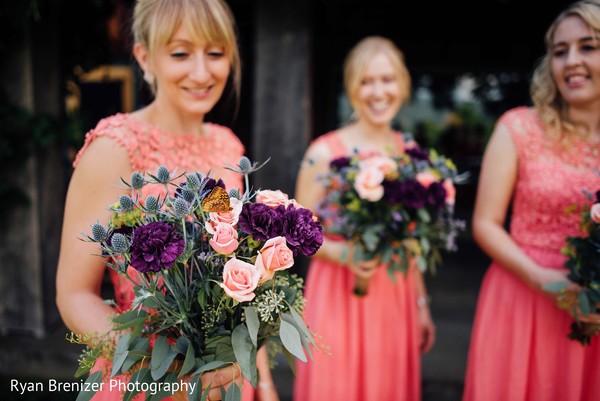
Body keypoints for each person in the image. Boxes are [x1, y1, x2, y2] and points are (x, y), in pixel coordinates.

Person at [55, 1, 278, 400]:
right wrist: (161, 369)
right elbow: (74, 294)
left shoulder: (229, 147)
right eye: (180, 53)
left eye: (215, 53)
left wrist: (262, 382)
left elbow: (241, 286)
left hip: (227, 382)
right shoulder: (114, 149)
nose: (201, 72)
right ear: (144, 57)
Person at [463, 1, 600, 400]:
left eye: (588, 46)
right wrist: (546, 281)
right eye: (560, 51)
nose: (571, 61)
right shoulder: (519, 127)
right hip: (523, 295)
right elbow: (485, 223)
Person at [293, 36, 435, 401]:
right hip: (338, 289)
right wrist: (344, 255)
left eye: (387, 80)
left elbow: (413, 239)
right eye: (366, 81)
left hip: (395, 293)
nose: (378, 92)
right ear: (352, 88)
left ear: (402, 85)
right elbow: (296, 232)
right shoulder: (323, 152)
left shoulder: (410, 153)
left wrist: (421, 306)